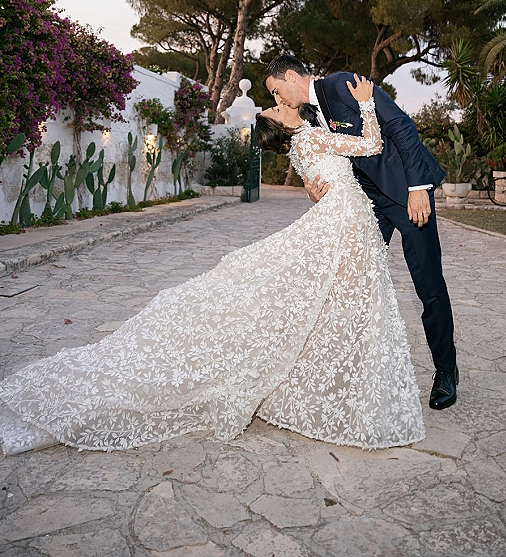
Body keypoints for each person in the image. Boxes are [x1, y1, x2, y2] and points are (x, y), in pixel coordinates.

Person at [0, 75, 425, 456]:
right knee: (350, 304)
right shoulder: (309, 139)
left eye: (274, 97)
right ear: (281, 124)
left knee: (334, 305)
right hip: (346, 221)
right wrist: (368, 104)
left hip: (342, 216)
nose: (277, 100)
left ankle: (330, 387)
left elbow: (327, 176)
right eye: (274, 105)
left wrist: (320, 189)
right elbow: (369, 144)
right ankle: (341, 394)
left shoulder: (304, 142)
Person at [263, 55, 458, 410]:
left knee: (428, 284)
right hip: (366, 202)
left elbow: (400, 127)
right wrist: (312, 187)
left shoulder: (341, 85)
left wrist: (418, 187)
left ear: (291, 76)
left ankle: (446, 371)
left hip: (405, 193)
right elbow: (325, 156)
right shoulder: (309, 115)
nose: (279, 101)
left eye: (277, 91)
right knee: (357, 284)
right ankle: (355, 370)